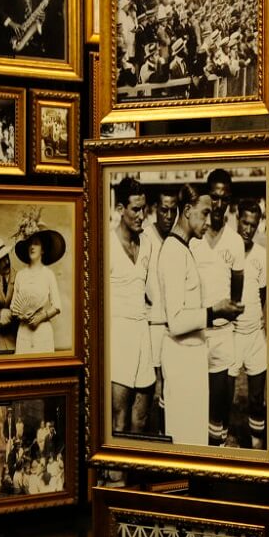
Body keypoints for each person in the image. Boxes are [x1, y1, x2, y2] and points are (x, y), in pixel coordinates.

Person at [157, 184, 242, 447]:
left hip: (192, 358)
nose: (209, 219)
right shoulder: (173, 252)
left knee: (195, 440)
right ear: (187, 211)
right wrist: (214, 311)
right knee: (186, 443)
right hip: (181, 361)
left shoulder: (184, 249)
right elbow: (176, 320)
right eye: (204, 213)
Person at [189, 169, 244, 447]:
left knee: (221, 401)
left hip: (223, 332)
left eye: (224, 199)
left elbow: (237, 288)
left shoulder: (234, 241)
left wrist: (229, 314)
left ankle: (218, 450)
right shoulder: (193, 237)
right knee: (196, 398)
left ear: (230, 201)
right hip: (197, 329)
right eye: (214, 198)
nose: (219, 205)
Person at [109, 177, 155, 435]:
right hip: (118, 335)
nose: (141, 216)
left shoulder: (147, 243)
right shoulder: (107, 244)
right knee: (120, 417)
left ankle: (135, 474)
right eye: (135, 209)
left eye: (144, 209)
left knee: (141, 417)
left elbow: (148, 291)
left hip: (142, 332)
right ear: (120, 210)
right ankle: (117, 476)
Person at [232, 199, 268, 448]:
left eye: (253, 225)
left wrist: (257, 317)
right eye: (244, 223)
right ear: (237, 219)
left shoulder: (261, 255)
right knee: (224, 395)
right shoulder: (225, 249)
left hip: (255, 332)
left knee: (257, 396)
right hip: (230, 333)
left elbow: (263, 292)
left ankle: (256, 444)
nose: (248, 229)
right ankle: (222, 443)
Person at [145, 187, 179, 435]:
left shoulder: (178, 238)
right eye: (163, 210)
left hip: (172, 324)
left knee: (171, 386)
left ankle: (168, 437)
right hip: (150, 324)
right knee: (151, 388)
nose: (168, 216)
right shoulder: (145, 236)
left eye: (173, 210)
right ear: (155, 210)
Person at [10, 223, 65, 355]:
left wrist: (40, 317)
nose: (32, 247)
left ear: (43, 250)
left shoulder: (48, 274)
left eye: (36, 243)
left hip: (43, 331)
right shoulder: (20, 275)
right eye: (29, 243)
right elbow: (13, 306)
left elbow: (57, 306)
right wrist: (21, 315)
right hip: (24, 331)